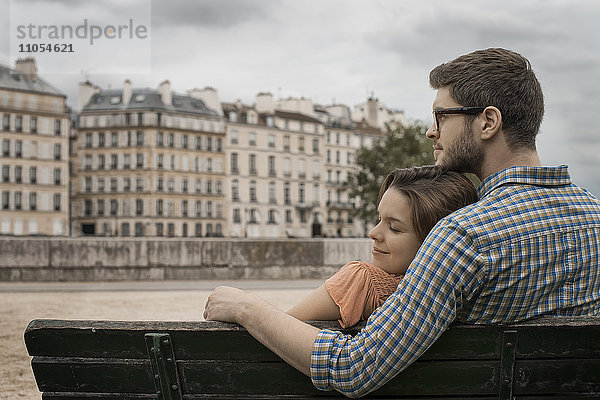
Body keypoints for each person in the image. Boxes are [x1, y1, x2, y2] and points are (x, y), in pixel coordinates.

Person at [204, 48, 600, 398]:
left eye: (441, 116)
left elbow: (353, 369)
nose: (432, 130)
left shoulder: (466, 236)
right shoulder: (595, 218)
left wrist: (248, 307)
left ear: (487, 122)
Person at [287, 165, 478, 328]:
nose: (373, 233)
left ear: (434, 240)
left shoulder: (363, 280)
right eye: (379, 219)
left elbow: (276, 332)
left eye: (394, 228)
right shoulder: (462, 294)